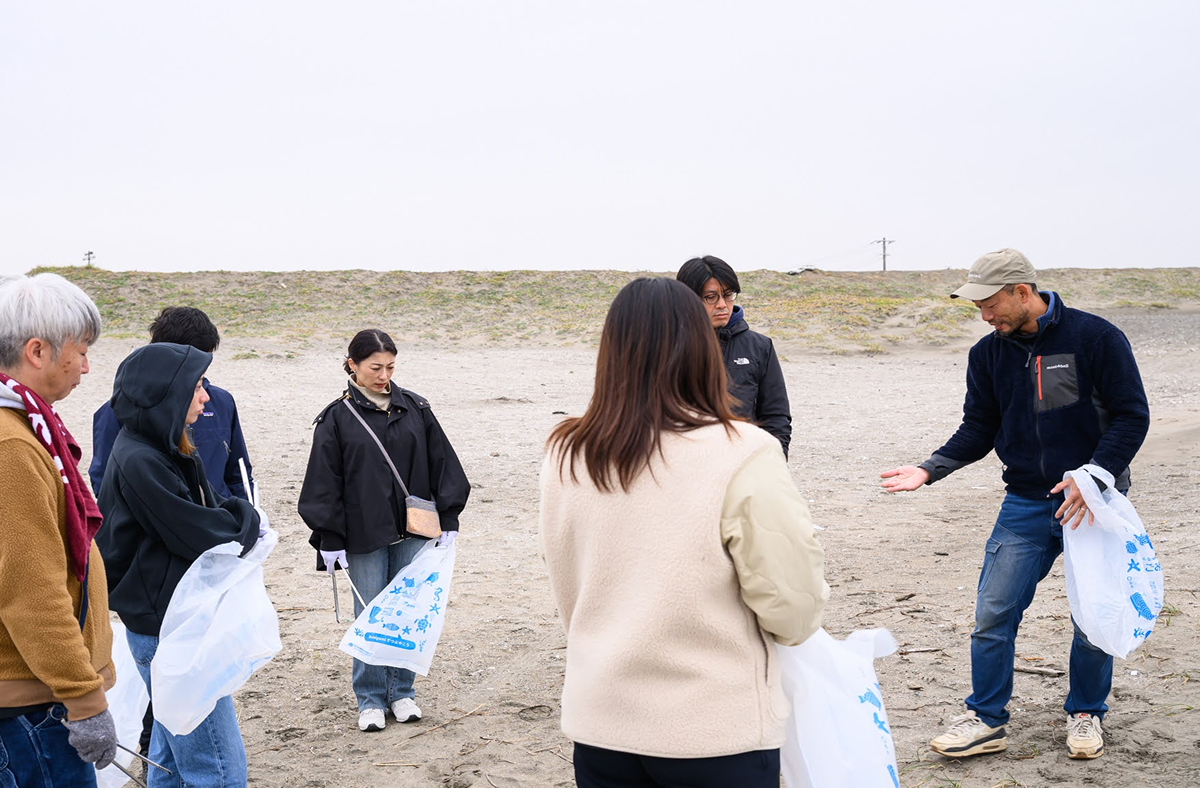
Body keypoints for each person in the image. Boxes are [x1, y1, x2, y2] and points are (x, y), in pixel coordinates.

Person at [539, 277, 828, 788]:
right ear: (700, 349)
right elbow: (794, 607)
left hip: (602, 717)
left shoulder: (566, 451)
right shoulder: (744, 451)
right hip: (713, 726)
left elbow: (567, 580)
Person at [880, 248, 1150, 761]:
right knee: (992, 613)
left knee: (1093, 613)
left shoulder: (1096, 338)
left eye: (989, 304)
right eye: (978, 306)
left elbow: (1131, 416)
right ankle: (986, 718)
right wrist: (930, 468)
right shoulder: (988, 354)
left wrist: (1092, 476)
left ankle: (1086, 713)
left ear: (1021, 292)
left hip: (1091, 503)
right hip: (1024, 502)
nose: (984, 316)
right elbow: (979, 426)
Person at [96, 342, 263, 787]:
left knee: (169, 762)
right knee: (218, 769)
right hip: (169, 633)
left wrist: (232, 515)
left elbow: (210, 505)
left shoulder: (159, 447)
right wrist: (250, 518)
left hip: (168, 624)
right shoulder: (141, 460)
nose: (206, 397)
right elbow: (203, 533)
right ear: (167, 395)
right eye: (197, 386)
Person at [298, 328, 470, 733]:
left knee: (408, 611)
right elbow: (324, 480)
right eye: (375, 367)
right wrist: (330, 537)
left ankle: (402, 692)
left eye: (390, 366)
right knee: (372, 615)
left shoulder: (415, 407)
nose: (383, 375)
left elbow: (443, 460)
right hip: (362, 533)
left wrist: (449, 517)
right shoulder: (336, 418)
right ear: (352, 364)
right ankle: (371, 698)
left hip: (415, 529)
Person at [0, 273, 117, 786]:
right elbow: (30, 590)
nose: (87, 367)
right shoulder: (13, 446)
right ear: (37, 350)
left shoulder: (25, 426)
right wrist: (84, 700)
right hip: (29, 706)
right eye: (82, 350)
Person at [90, 306, 254, 501]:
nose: (199, 369)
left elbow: (239, 474)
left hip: (222, 524)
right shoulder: (117, 412)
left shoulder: (221, 402)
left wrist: (247, 516)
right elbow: (106, 484)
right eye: (192, 362)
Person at [676, 255, 792, 457]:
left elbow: (776, 416)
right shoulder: (668, 346)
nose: (722, 304)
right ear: (688, 298)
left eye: (728, 295)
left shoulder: (759, 346)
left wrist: (776, 460)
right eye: (711, 297)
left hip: (741, 463)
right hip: (686, 464)